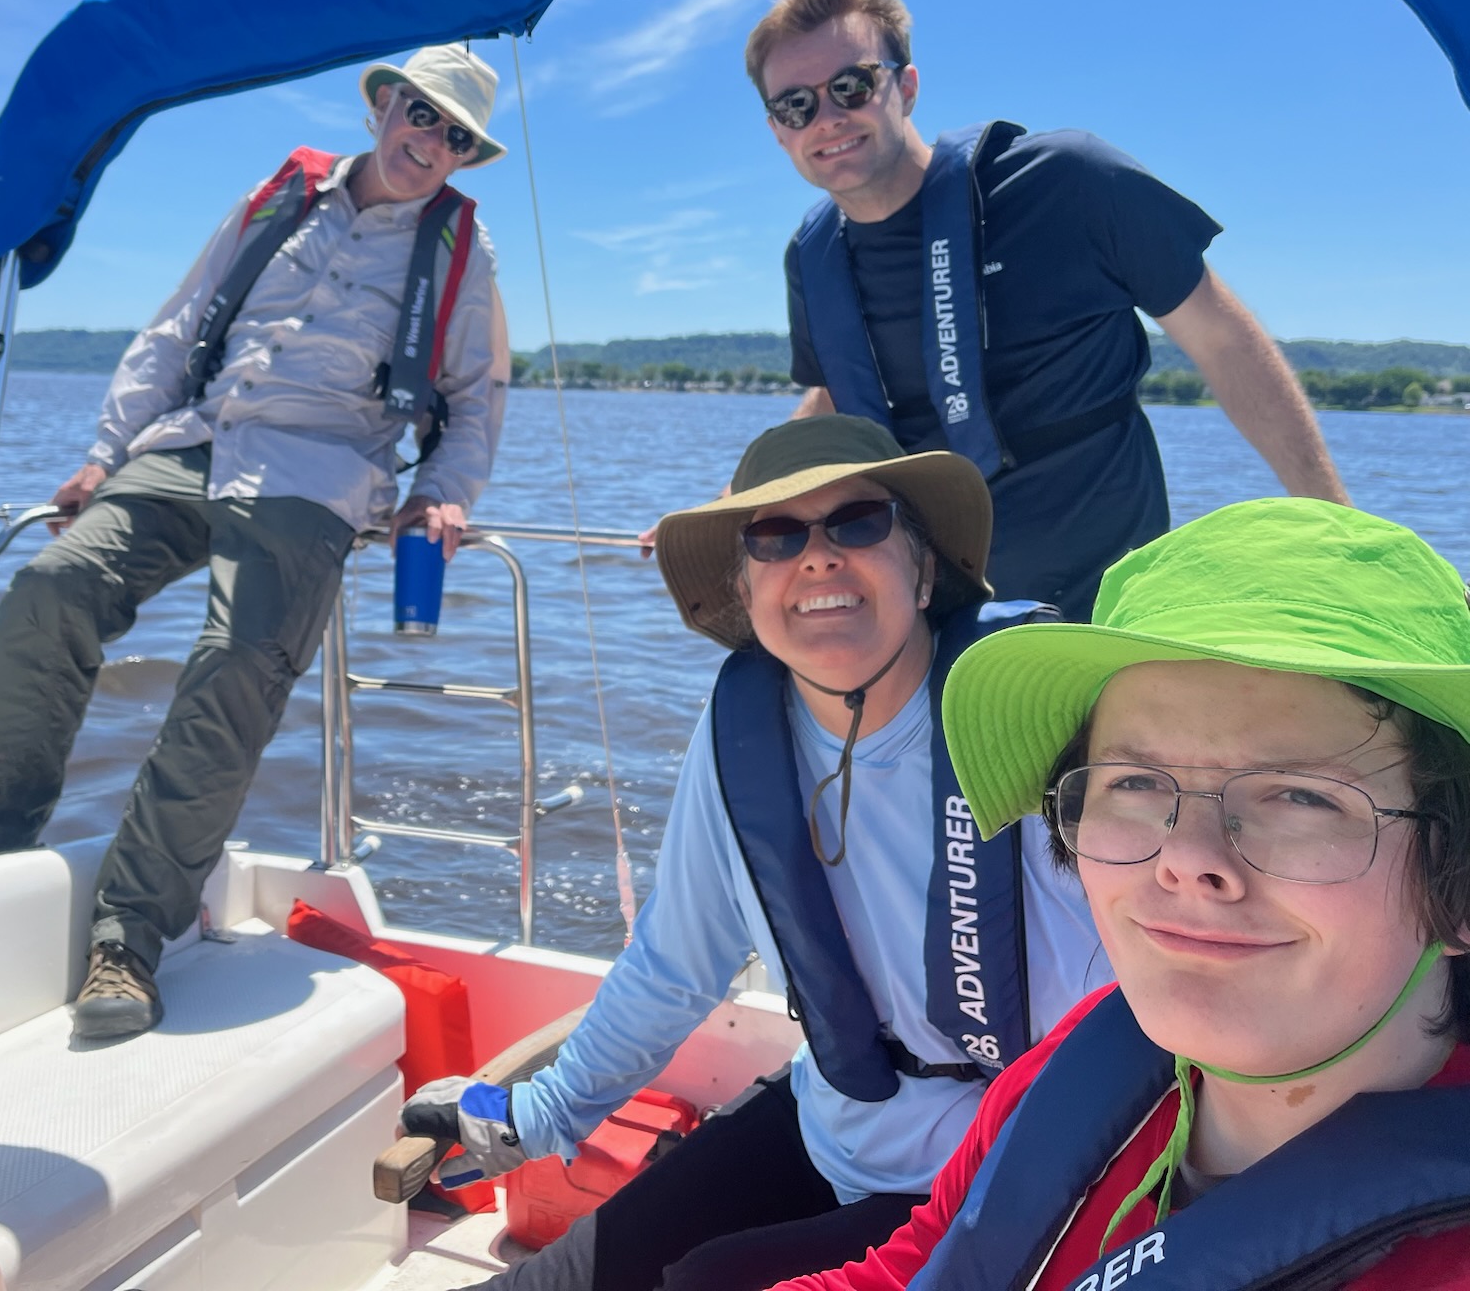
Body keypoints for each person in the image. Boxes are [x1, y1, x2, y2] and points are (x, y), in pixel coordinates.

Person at [401, 416, 1110, 1291]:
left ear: (924, 571)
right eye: (775, 536)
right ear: (745, 590)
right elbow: (675, 962)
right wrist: (537, 1118)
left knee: (707, 1282)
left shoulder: (1037, 723)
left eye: (858, 522)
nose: (816, 558)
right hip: (839, 1116)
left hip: (1006, 1173)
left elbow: (1151, 1001)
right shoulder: (743, 734)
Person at [0, 44, 511, 1039]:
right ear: (384, 108)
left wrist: (441, 497)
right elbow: (176, 329)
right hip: (194, 442)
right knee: (52, 585)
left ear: (464, 155)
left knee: (240, 660)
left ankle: (128, 936)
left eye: (454, 134)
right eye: (420, 113)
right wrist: (105, 455)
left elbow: (475, 398)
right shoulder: (278, 194)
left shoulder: (461, 248)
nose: (430, 140)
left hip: (319, 471)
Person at [773, 497, 1470, 1291]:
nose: (1187, 859)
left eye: (1302, 796)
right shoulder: (1084, 1065)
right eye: (1136, 782)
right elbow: (914, 1272)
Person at [752, 0, 1346, 619]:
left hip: (1105, 607)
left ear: (907, 86)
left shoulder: (1068, 181)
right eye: (796, 106)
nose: (828, 117)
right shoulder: (812, 259)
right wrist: (731, 502)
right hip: (930, 612)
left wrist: (1340, 529)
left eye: (850, 85)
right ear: (779, 131)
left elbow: (1223, 341)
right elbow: (836, 394)